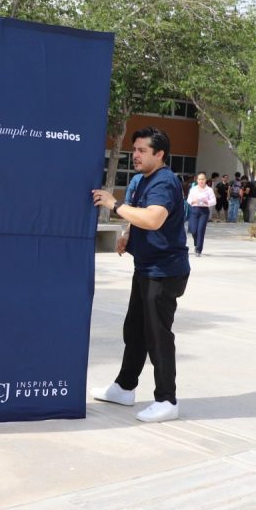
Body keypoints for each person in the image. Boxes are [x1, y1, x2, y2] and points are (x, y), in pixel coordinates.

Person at [90, 127, 190, 424]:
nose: (135, 155)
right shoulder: (140, 180)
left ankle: (167, 400)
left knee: (158, 336)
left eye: (142, 150)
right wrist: (127, 235)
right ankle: (124, 387)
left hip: (164, 271)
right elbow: (138, 215)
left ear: (159, 154)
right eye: (134, 149)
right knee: (135, 331)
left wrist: (114, 204)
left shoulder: (164, 182)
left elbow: (154, 218)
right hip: (145, 267)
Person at [185, 172, 216, 256]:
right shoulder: (193, 189)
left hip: (204, 211)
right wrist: (193, 201)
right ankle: (196, 243)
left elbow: (214, 201)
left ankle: (198, 250)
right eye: (199, 179)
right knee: (193, 230)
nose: (201, 181)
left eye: (203, 179)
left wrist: (207, 202)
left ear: (205, 180)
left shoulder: (209, 190)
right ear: (197, 180)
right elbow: (188, 199)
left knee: (201, 230)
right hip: (194, 210)